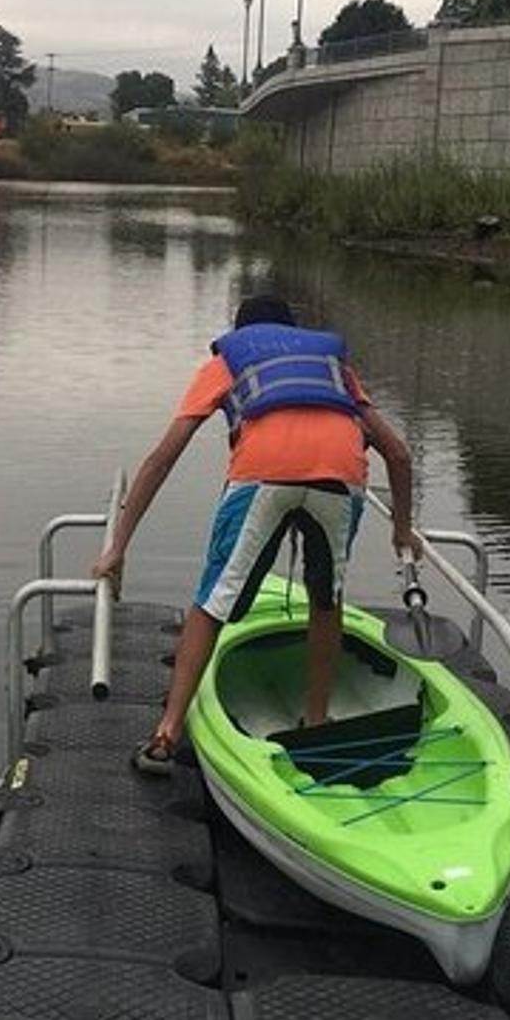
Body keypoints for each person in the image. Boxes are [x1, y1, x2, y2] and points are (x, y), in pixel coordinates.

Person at [92, 293, 417, 774]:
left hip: (263, 476)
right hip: (342, 476)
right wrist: (402, 531)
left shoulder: (228, 360)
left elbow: (164, 456)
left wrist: (118, 547)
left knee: (214, 601)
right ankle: (317, 718)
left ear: (239, 332)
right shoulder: (331, 365)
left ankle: (167, 733)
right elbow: (399, 455)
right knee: (326, 600)